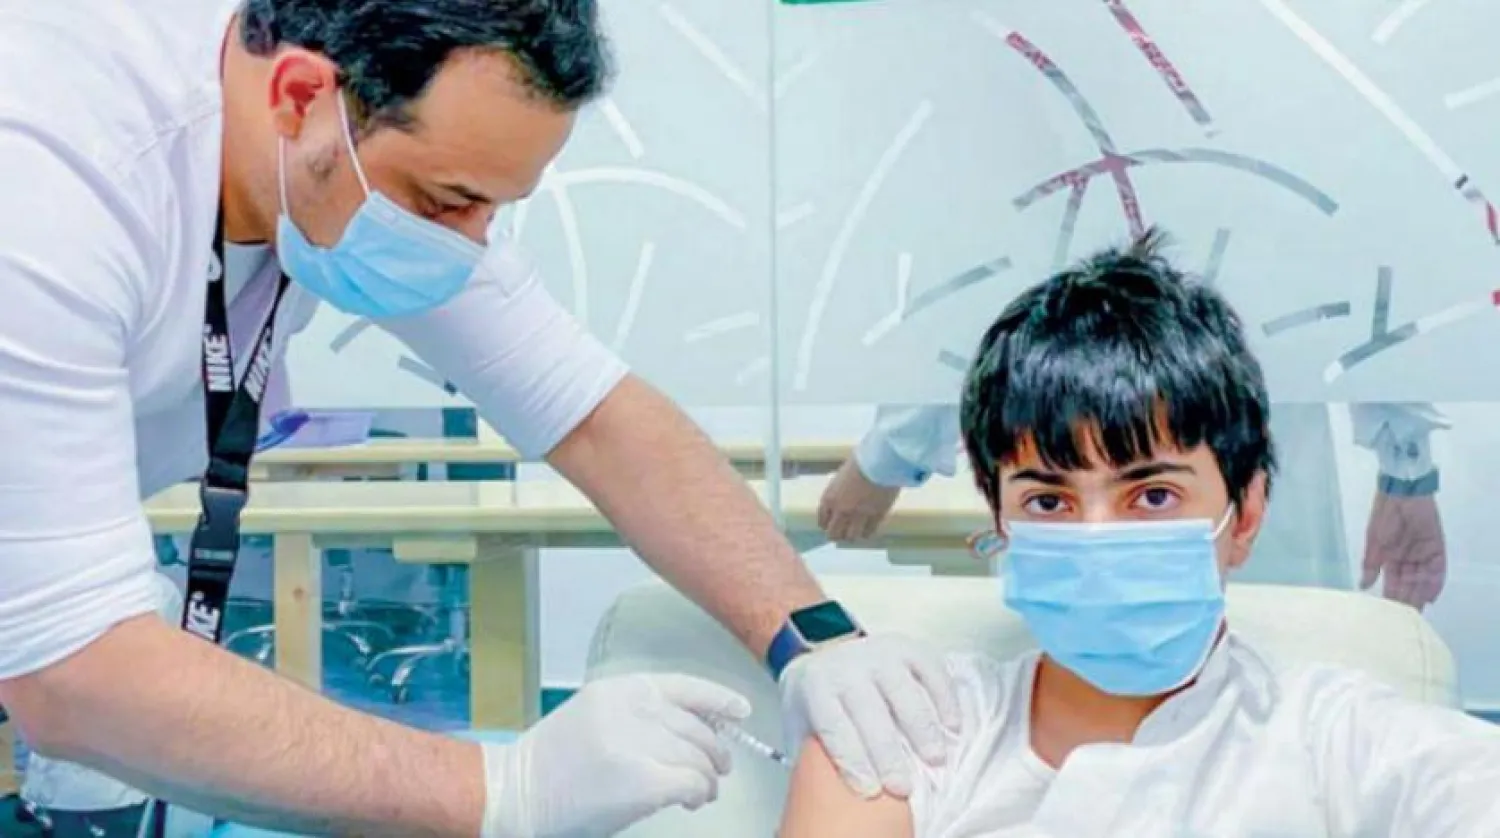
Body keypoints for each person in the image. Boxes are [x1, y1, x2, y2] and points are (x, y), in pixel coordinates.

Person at [0, 1, 960, 835]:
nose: (468, 248)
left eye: (493, 210)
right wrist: (503, 791)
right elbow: (73, 676)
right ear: (298, 97)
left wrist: (813, 636)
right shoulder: (50, 179)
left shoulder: (339, 159)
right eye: (451, 200)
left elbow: (596, 415)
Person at [781, 230, 1500, 837]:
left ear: (1245, 515)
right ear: (1000, 519)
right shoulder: (909, 738)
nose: (1098, 537)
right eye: (1050, 501)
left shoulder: (1345, 743)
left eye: (1152, 495)